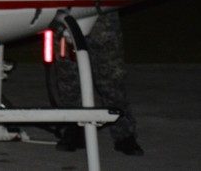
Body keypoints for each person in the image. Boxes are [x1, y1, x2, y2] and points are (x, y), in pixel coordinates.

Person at [53, 10, 145, 156]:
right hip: (65, 10)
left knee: (110, 74)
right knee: (68, 76)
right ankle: (75, 127)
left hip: (101, 10)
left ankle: (124, 133)